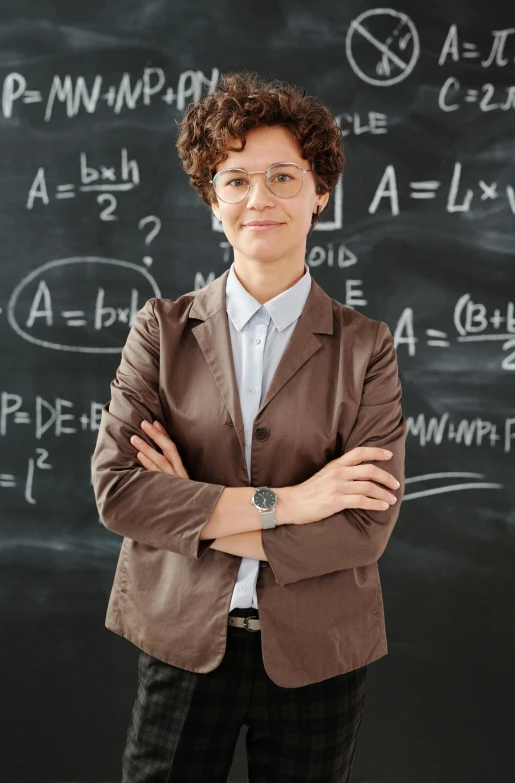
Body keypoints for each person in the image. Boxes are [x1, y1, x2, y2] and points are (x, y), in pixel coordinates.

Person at [91, 70, 406, 783]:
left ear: (320, 191)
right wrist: (293, 502)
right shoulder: (161, 331)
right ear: (212, 200)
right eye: (234, 179)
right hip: (180, 638)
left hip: (319, 651)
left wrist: (194, 511)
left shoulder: (367, 347)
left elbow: (365, 527)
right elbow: (121, 493)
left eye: (283, 177)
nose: (258, 198)